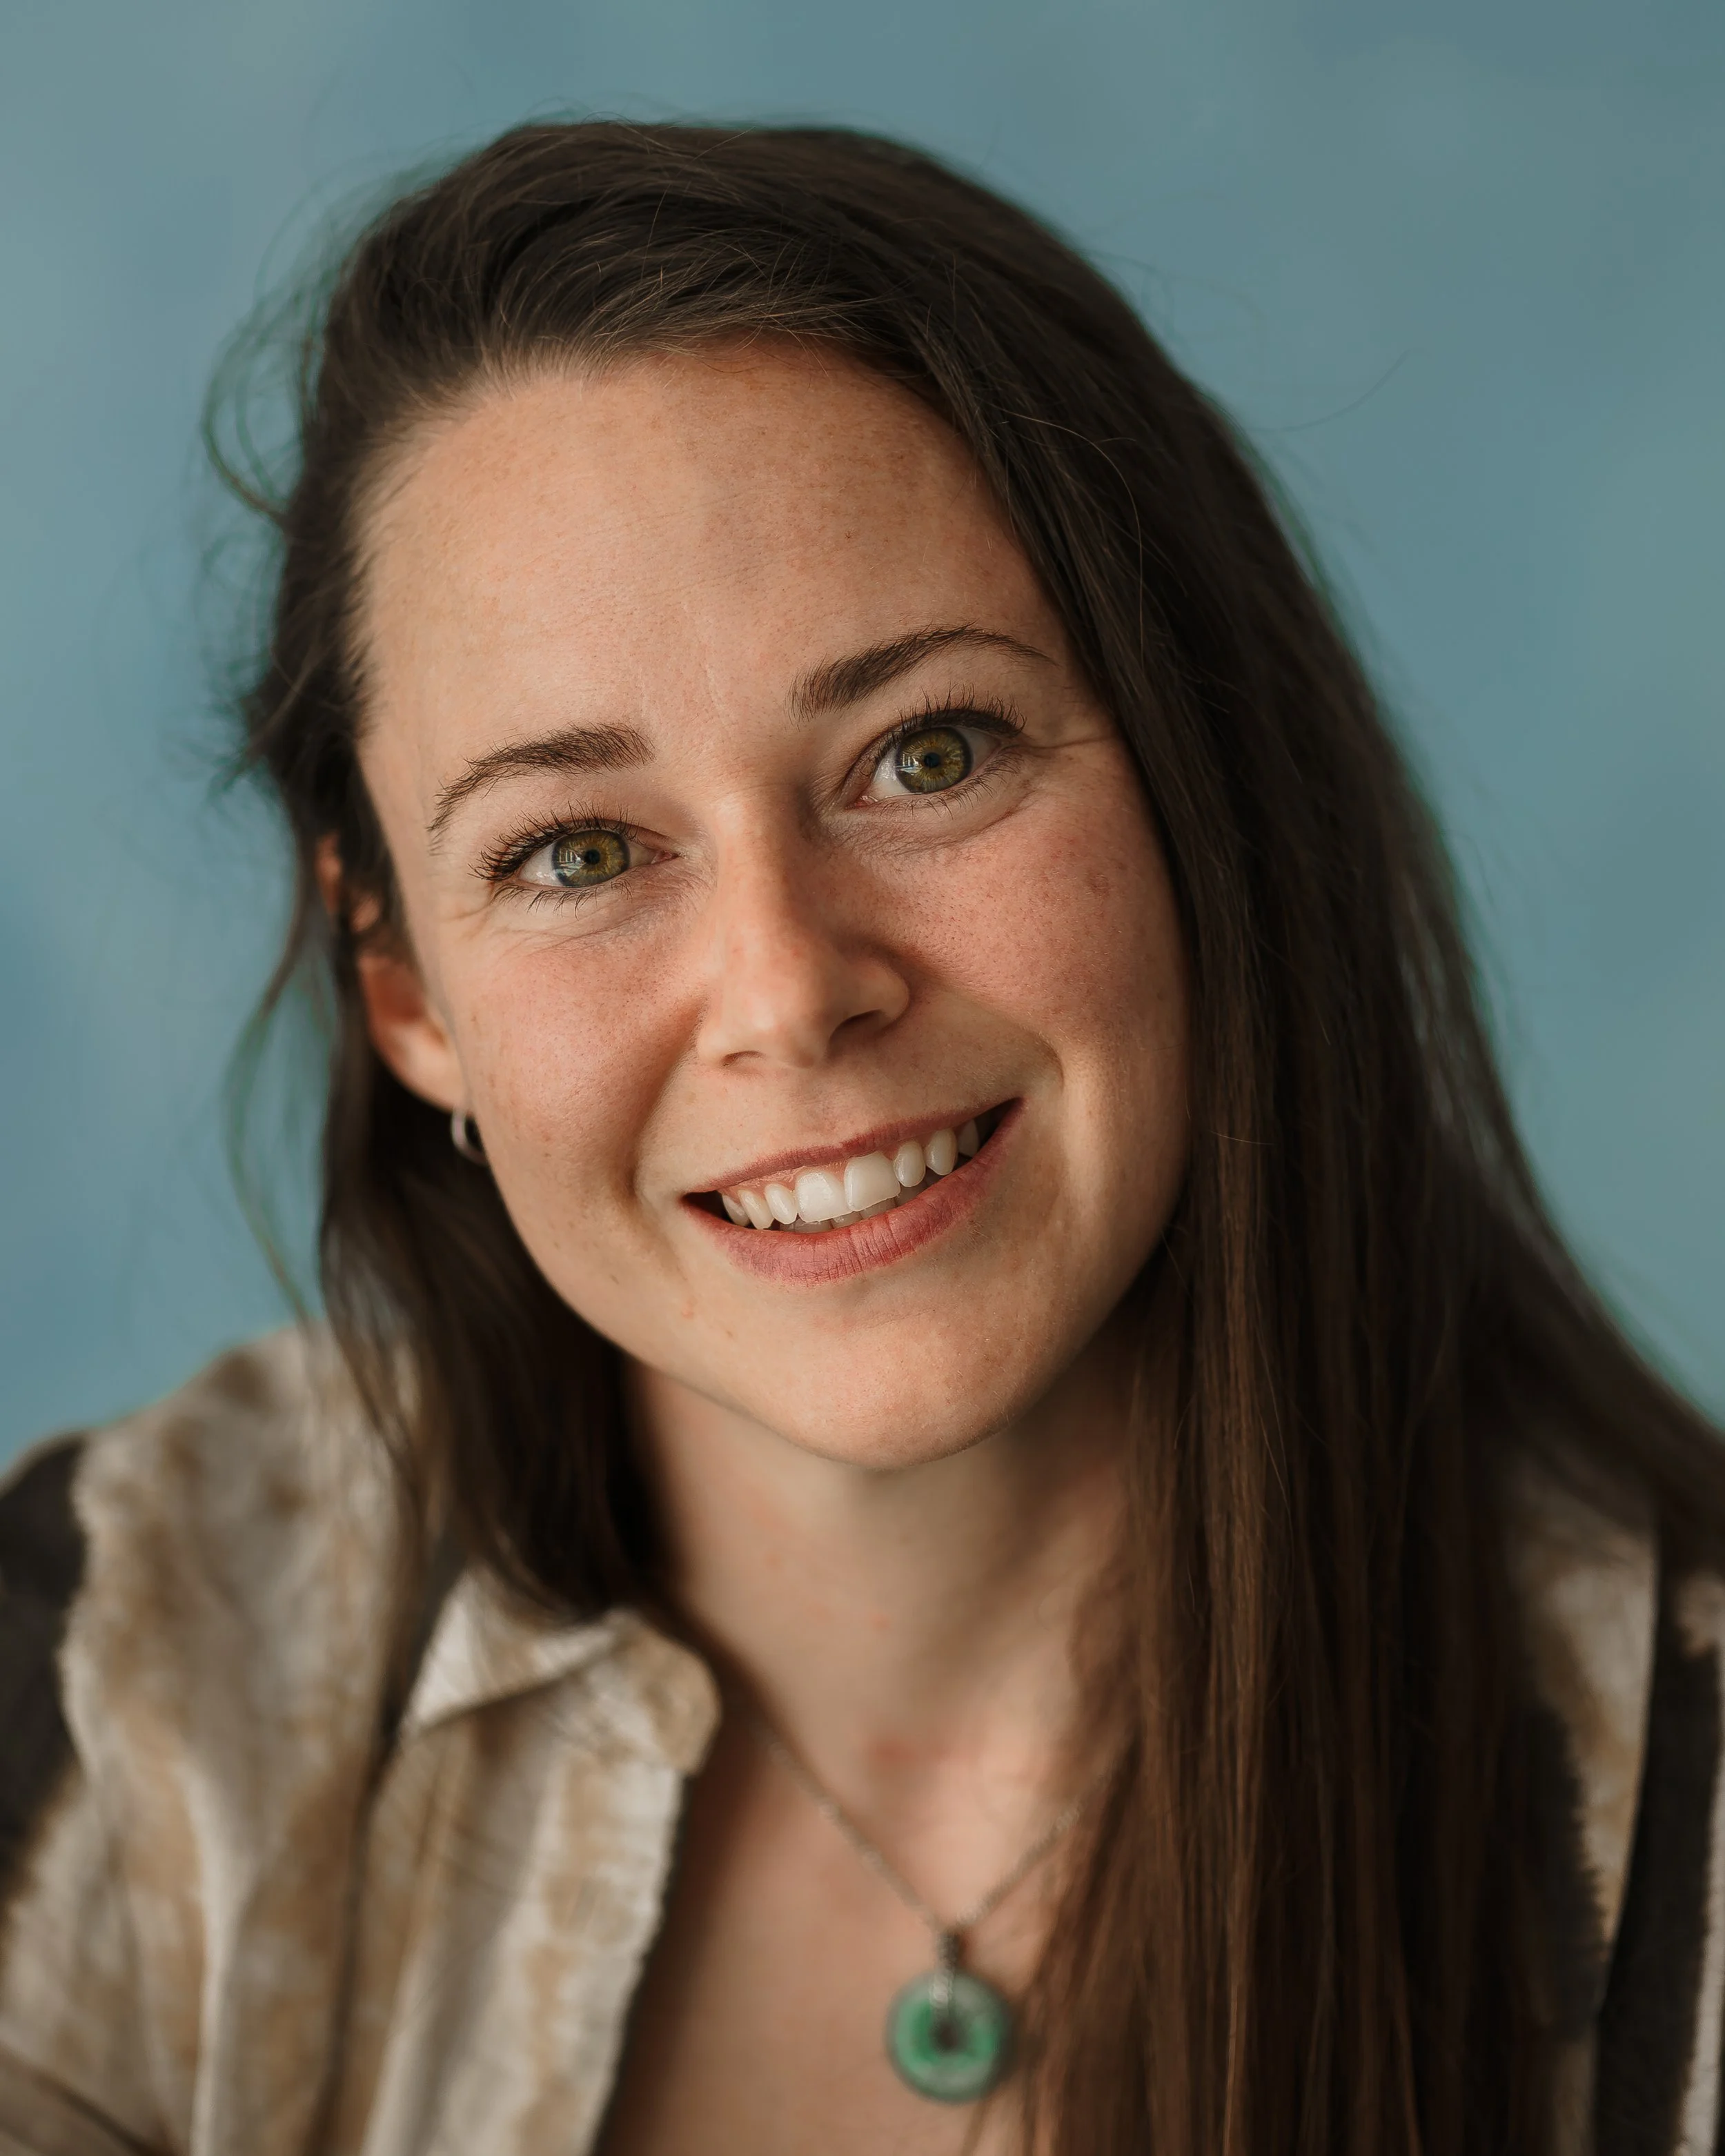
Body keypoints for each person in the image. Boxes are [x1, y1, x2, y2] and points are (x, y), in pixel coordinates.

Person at [0, 121, 1718, 2156]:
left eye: (926, 751)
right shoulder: (121, 1670)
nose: (789, 987)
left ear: (1200, 793)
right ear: (405, 999)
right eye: (572, 850)